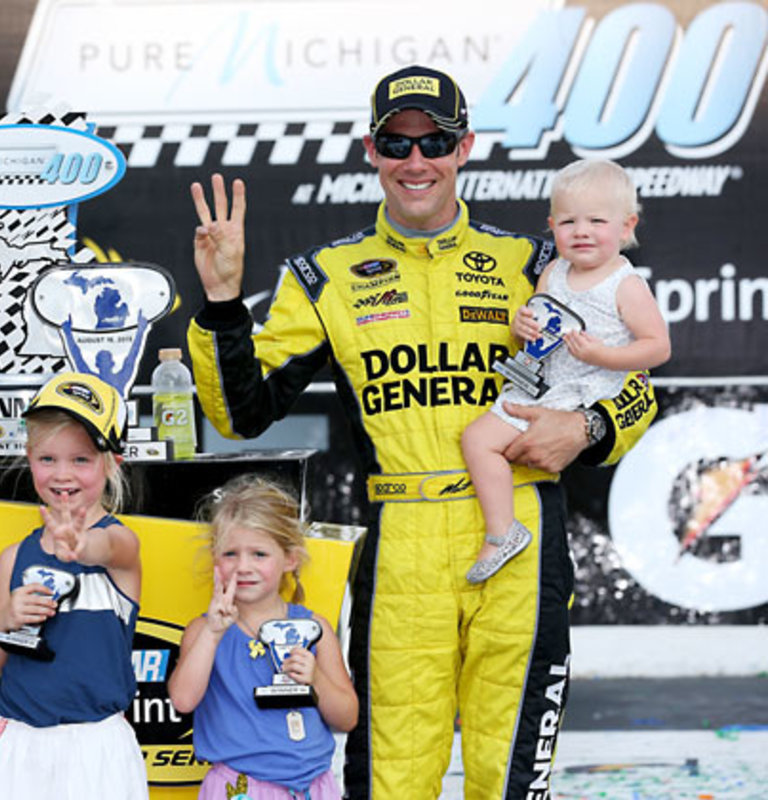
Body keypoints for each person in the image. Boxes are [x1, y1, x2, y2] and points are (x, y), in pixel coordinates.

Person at [185, 65, 658, 799]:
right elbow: (239, 413)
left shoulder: (534, 263)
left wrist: (586, 426)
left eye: (433, 141)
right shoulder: (326, 277)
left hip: (521, 530)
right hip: (404, 539)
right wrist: (220, 303)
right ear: (371, 151)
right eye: (396, 143)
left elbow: (635, 391)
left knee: (510, 772)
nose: (416, 161)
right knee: (395, 776)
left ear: (464, 146)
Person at [463, 159, 671, 583]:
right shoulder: (552, 271)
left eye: (597, 220)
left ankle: (505, 531)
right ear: (551, 225)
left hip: (586, 392)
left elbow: (658, 348)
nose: (581, 231)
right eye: (568, 221)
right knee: (476, 439)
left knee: (496, 445)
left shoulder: (624, 284)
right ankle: (505, 530)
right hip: (541, 383)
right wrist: (522, 326)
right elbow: (537, 329)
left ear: (626, 226)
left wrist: (602, 357)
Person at [0, 371, 147, 800]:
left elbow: (108, 548)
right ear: (29, 458)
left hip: (96, 749)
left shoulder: (120, 545)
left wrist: (82, 545)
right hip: (17, 746)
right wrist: (5, 620)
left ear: (112, 461)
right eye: (48, 459)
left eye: (81, 459)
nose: (62, 474)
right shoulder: (12, 557)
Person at [168, 475, 357, 800]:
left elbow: (348, 717)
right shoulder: (203, 631)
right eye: (230, 554)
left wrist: (316, 680)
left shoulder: (314, 628)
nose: (243, 566)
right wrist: (214, 633)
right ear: (215, 559)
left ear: (290, 559)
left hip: (312, 788)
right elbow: (183, 701)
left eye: (259, 554)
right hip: (238, 789)